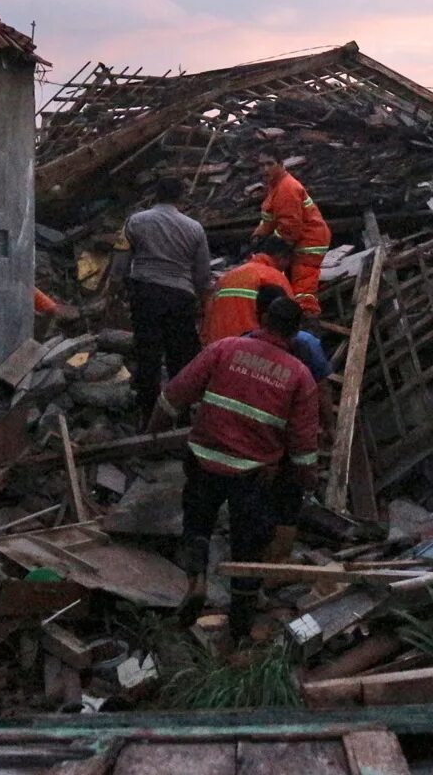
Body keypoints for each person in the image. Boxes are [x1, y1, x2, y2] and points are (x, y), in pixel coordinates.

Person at [157, 294, 320, 642]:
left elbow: (178, 391)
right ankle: (240, 629)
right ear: (295, 333)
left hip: (204, 458)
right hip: (253, 473)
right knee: (248, 547)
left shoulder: (224, 348)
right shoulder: (300, 376)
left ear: (261, 319)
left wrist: (155, 423)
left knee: (197, 524)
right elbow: (303, 441)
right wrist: (305, 480)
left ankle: (197, 581)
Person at [114, 177, 212, 420]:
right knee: (179, 357)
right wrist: (202, 300)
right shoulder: (194, 228)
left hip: (145, 293)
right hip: (180, 296)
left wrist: (118, 288)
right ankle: (179, 414)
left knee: (148, 355)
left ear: (156, 195)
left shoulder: (135, 222)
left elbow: (120, 263)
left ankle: (147, 415)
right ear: (181, 197)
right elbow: (202, 274)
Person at [250, 150, 332, 316]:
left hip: (308, 244)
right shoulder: (276, 187)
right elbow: (270, 220)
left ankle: (307, 321)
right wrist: (257, 235)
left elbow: (290, 228)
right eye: (261, 165)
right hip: (302, 241)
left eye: (270, 164)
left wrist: (270, 249)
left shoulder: (287, 188)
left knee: (303, 288)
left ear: (281, 165)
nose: (265, 169)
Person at [201, 236, 295, 346]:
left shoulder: (228, 276)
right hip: (251, 349)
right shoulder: (275, 277)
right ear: (282, 257)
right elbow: (289, 317)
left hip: (218, 347)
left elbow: (208, 312)